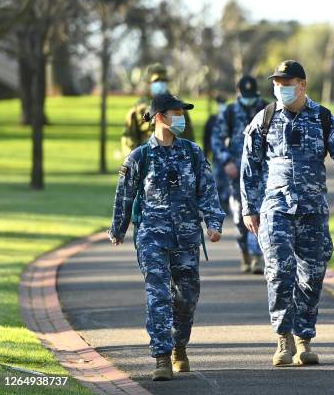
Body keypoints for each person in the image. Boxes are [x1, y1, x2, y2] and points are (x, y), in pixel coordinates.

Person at [240, 60, 334, 366]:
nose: (281, 88)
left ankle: (304, 338)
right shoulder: (264, 119)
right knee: (280, 272)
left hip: (313, 211)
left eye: (288, 83)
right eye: (277, 84)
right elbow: (249, 166)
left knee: (312, 275)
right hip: (275, 210)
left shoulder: (323, 118)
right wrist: (249, 208)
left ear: (303, 85)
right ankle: (283, 338)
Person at [108, 93, 225, 381]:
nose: (181, 118)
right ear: (159, 116)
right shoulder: (139, 156)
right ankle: (161, 357)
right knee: (158, 295)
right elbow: (124, 195)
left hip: (187, 237)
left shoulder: (193, 153)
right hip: (152, 236)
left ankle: (178, 346)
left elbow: (207, 191)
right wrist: (118, 229)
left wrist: (213, 222)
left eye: (182, 113)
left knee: (186, 297)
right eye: (176, 113)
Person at [212, 76, 268, 274]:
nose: (249, 99)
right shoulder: (228, 112)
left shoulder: (267, 109)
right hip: (236, 174)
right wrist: (226, 161)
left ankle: (257, 257)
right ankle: (245, 252)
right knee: (239, 216)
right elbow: (217, 139)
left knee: (261, 214)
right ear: (238, 92)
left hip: (262, 172)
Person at [121, 63, 195, 156]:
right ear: (149, 83)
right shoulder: (138, 109)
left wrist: (190, 155)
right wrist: (135, 159)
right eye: (156, 80)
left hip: (177, 157)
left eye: (163, 80)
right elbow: (128, 138)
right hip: (148, 159)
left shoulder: (178, 106)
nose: (160, 84)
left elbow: (189, 135)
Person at [203, 95, 231, 211]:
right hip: (216, 155)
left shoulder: (229, 117)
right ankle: (218, 203)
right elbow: (206, 137)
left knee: (228, 180)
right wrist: (206, 153)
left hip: (229, 155)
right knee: (217, 179)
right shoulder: (212, 119)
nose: (222, 106)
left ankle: (226, 202)